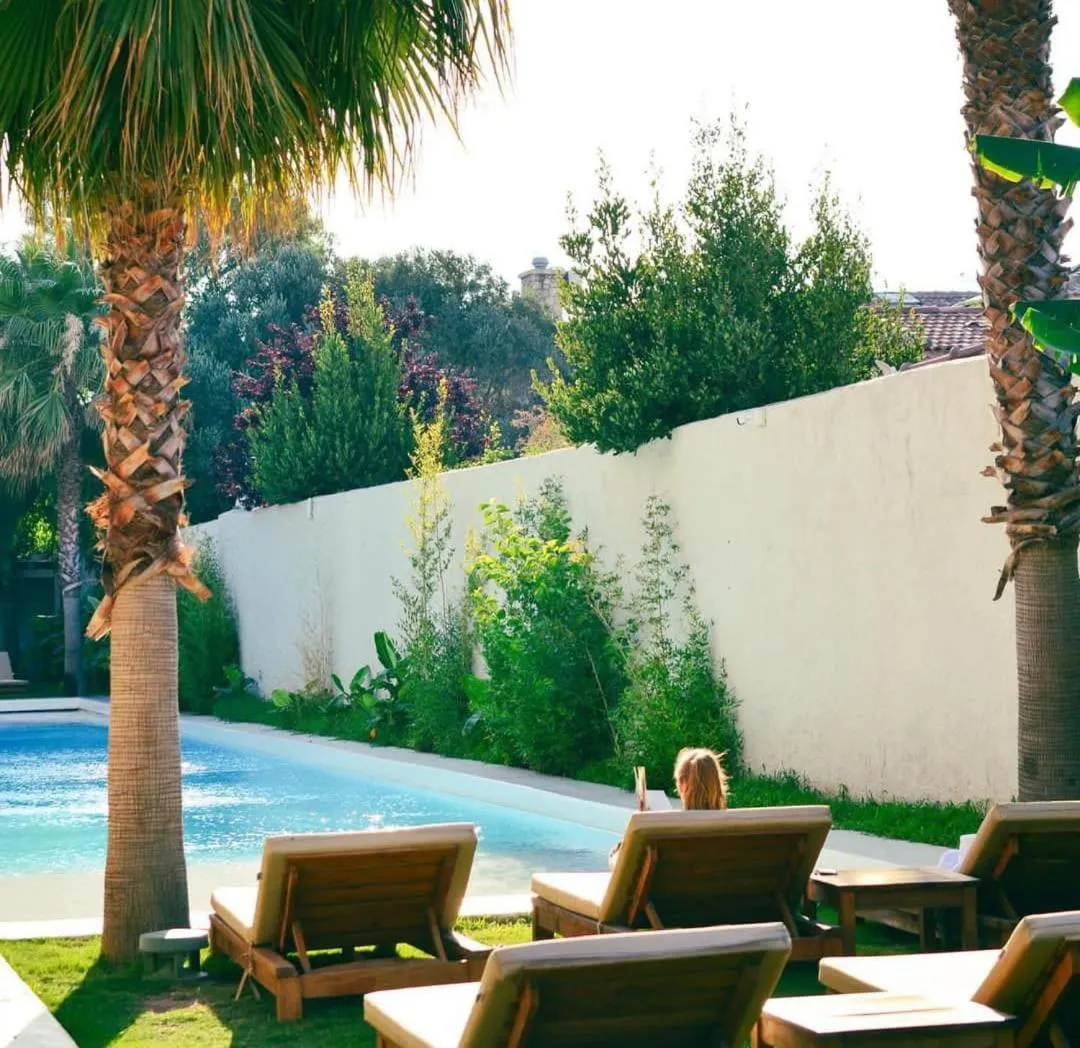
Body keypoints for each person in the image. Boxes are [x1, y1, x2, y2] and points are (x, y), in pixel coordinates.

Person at [609, 747, 729, 867]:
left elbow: (621, 866)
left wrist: (620, 849)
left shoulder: (668, 832)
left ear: (683, 785)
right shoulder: (733, 828)